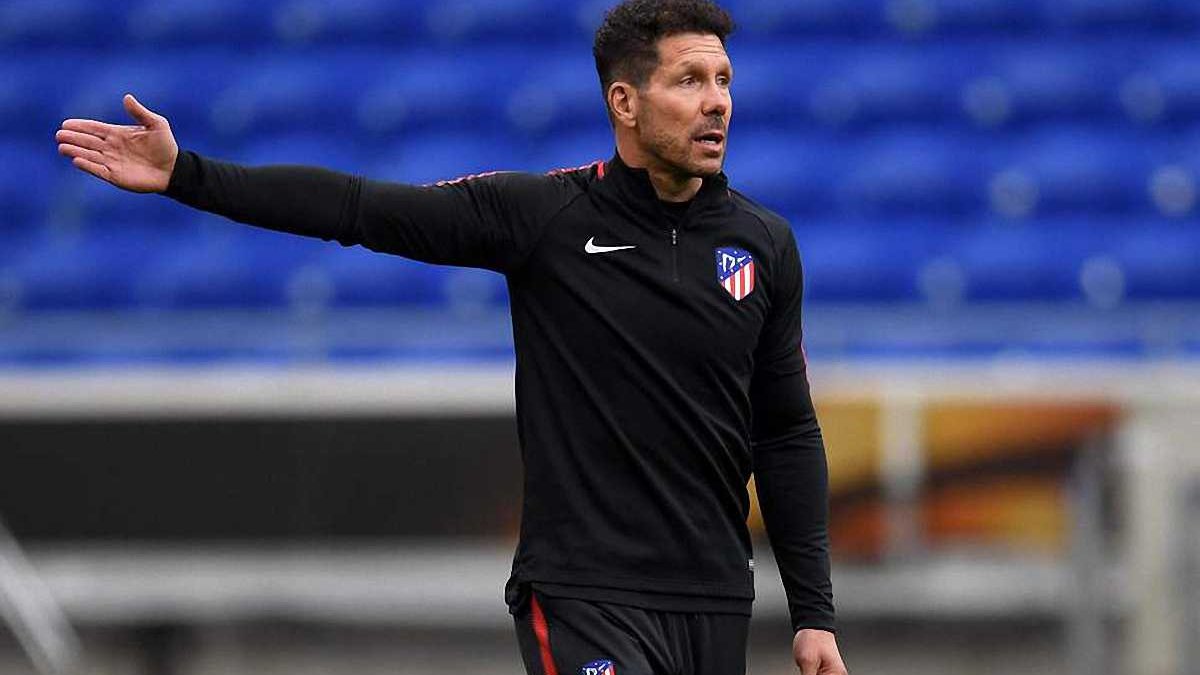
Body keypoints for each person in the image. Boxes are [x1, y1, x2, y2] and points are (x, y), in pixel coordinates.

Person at [54, 0, 848, 673]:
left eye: (723, 81)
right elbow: (360, 208)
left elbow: (784, 432)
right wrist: (187, 174)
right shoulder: (546, 218)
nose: (717, 103)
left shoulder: (764, 245)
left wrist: (814, 612)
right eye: (689, 81)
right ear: (625, 102)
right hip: (583, 592)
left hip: (713, 598)